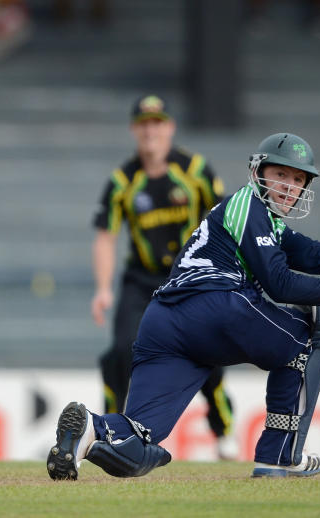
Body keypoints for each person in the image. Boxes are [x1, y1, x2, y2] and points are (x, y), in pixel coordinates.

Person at [49, 133, 320, 480]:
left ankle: (89, 429)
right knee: (310, 334)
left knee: (137, 444)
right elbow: (279, 283)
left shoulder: (263, 221)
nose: (290, 186)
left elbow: (318, 255)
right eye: (282, 174)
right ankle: (278, 457)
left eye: (299, 180)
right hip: (215, 304)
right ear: (258, 171)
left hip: (163, 321)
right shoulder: (247, 206)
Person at [90, 94, 237, 460]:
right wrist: (103, 289)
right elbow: (105, 236)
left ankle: (223, 433)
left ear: (169, 127)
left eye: (157, 123)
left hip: (189, 278)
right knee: (122, 350)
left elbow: (227, 222)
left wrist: (228, 275)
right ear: (133, 130)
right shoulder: (123, 180)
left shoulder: (196, 170)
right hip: (141, 280)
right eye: (143, 124)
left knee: (209, 355)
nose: (150, 130)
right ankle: (108, 432)